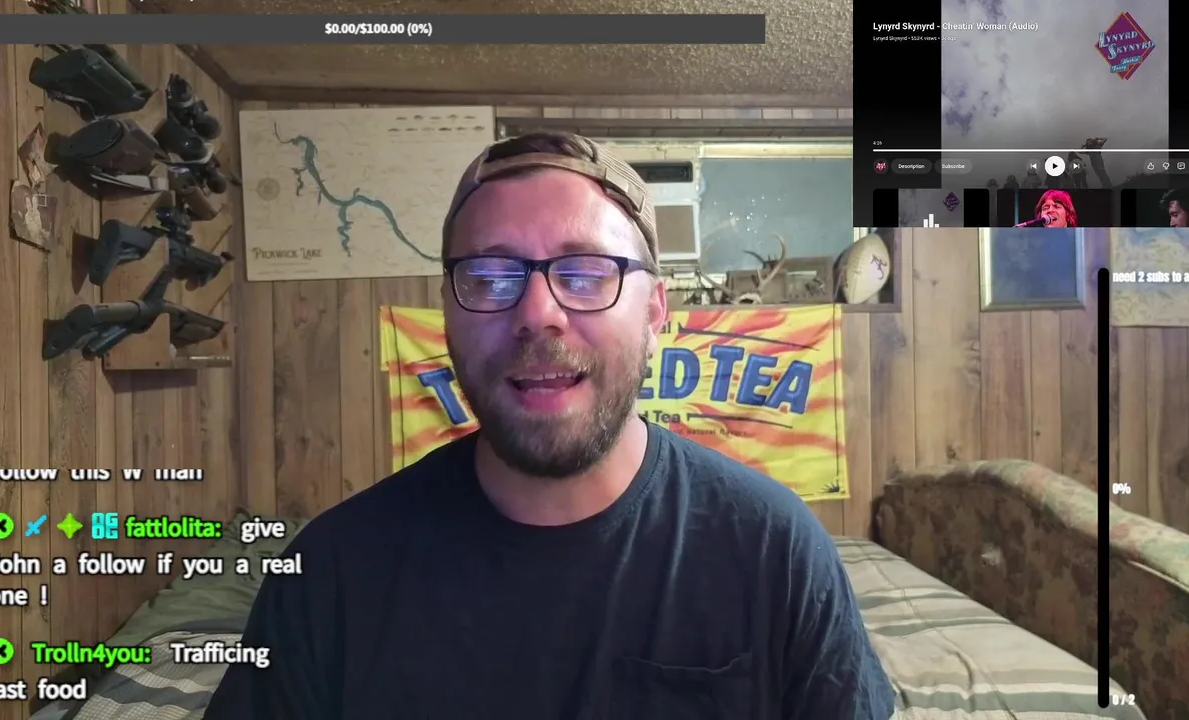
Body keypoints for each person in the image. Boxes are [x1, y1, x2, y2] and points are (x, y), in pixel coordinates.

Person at [203, 131, 896, 719]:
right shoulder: (328, 577)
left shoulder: (776, 552)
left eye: (587, 273)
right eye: (490, 276)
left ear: (656, 311)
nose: (537, 313)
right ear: (447, 311)